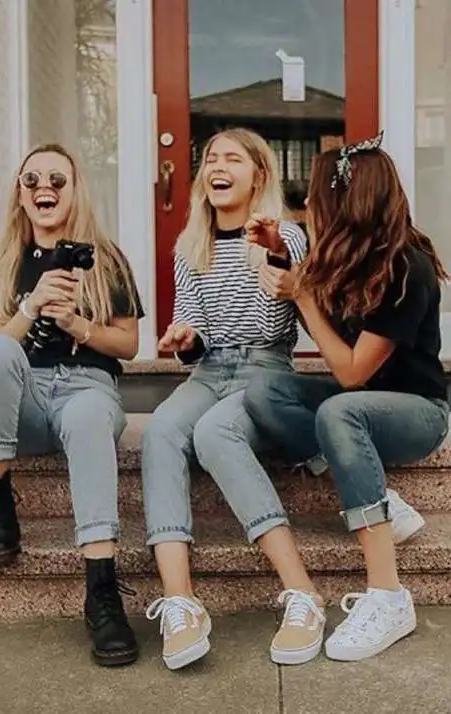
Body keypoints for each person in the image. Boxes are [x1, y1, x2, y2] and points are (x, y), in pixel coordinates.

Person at [141, 128, 425, 671]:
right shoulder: (189, 245)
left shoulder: (286, 238)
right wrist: (185, 337)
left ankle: (301, 593)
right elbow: (194, 325)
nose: (217, 167)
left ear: (259, 175)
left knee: (214, 433)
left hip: (263, 367)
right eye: (210, 159)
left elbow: (274, 323)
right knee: (159, 432)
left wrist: (267, 255)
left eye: (232, 158)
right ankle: (181, 601)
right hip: (208, 371)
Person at [243, 132, 450, 661]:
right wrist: (277, 249)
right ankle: (383, 503)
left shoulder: (405, 268)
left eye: (315, 197)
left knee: (340, 408)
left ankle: (388, 595)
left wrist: (305, 297)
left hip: (417, 413)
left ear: (347, 203)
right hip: (356, 407)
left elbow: (354, 373)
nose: (308, 207)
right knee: (264, 391)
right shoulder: (343, 256)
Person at [0, 143, 144, 667]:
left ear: (74, 190)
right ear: (20, 194)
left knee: (88, 416)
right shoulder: (5, 261)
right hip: (24, 399)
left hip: (86, 389)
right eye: (32, 180)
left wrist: (76, 324)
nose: (44, 188)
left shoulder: (104, 257)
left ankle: (102, 590)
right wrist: (33, 304)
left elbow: (129, 345)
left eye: (57, 180)